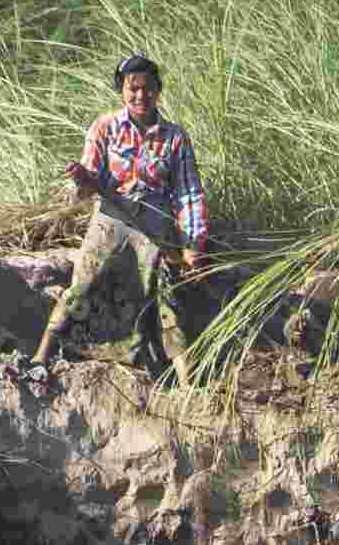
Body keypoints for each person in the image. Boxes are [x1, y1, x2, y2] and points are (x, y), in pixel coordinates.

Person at [33, 51, 210, 372]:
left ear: (158, 89)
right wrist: (82, 180)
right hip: (111, 220)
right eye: (133, 88)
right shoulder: (105, 127)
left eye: (148, 88)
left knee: (166, 298)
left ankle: (186, 379)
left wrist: (193, 244)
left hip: (155, 227)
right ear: (122, 90)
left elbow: (188, 193)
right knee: (83, 285)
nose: (141, 95)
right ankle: (41, 356)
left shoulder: (175, 137)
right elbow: (86, 185)